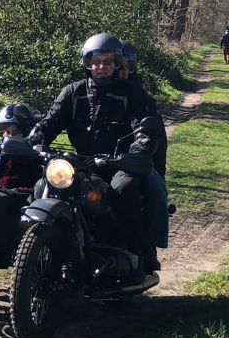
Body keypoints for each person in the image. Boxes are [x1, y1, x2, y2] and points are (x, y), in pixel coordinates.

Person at [29, 33, 166, 274]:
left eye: (107, 62)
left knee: (123, 190)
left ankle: (135, 250)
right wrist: (34, 142)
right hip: (82, 164)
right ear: (88, 63)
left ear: (117, 65)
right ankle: (36, 246)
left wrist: (136, 152)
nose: (101, 67)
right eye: (96, 62)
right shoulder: (73, 92)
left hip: (120, 164)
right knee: (44, 184)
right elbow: (48, 123)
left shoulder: (133, 94)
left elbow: (144, 129)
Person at [120, 40, 170, 266]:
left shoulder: (140, 97)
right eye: (120, 66)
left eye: (128, 66)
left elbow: (156, 139)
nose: (124, 71)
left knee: (155, 187)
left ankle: (148, 246)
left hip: (136, 160)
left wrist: (148, 163)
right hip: (95, 159)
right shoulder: (86, 90)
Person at [0, 103, 43, 189]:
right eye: (3, 131)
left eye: (10, 132)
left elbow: (30, 178)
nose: (5, 135)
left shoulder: (33, 157)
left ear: (26, 132)